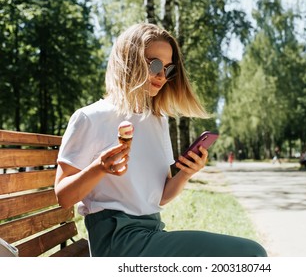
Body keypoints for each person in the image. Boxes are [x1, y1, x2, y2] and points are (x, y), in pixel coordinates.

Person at [54, 23, 267, 257]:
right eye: (154, 64)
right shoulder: (90, 118)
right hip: (116, 243)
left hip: (151, 232)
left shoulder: (157, 120)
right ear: (128, 60)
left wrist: (186, 172)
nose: (161, 76)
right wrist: (100, 167)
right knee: (250, 254)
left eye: (168, 69)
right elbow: (63, 197)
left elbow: (161, 196)